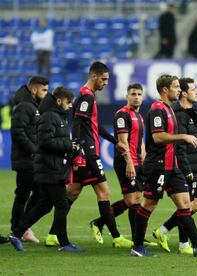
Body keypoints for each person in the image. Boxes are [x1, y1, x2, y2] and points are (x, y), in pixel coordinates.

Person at [131, 74, 197, 257]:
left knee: (185, 204)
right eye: (175, 86)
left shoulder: (170, 109)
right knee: (149, 204)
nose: (179, 89)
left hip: (173, 166)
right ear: (165, 89)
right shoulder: (158, 109)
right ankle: (138, 247)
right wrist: (183, 136)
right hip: (159, 165)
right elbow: (158, 137)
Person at [51, 61, 132, 249]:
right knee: (104, 192)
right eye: (103, 79)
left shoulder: (87, 96)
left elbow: (93, 125)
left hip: (85, 151)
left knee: (72, 192)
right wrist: (78, 150)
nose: (105, 83)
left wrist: (115, 142)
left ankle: (52, 234)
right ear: (93, 76)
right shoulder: (87, 97)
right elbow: (78, 123)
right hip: (88, 153)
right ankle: (117, 237)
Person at [8, 87, 83, 253]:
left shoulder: (58, 117)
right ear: (59, 101)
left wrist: (71, 150)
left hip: (53, 167)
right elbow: (44, 142)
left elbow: (55, 142)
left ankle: (16, 233)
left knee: (44, 206)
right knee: (62, 205)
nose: (71, 106)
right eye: (69, 102)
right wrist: (67, 145)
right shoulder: (50, 117)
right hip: (50, 169)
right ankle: (64, 243)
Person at [89, 83, 156, 247]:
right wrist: (129, 163)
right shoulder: (122, 115)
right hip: (126, 161)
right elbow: (123, 142)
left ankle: (100, 222)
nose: (136, 97)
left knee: (136, 199)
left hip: (138, 162)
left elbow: (140, 143)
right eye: (133, 94)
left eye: (140, 94)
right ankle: (136, 239)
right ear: (127, 96)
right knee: (132, 200)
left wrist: (144, 163)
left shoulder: (140, 116)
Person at [152, 77, 197, 254]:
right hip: (186, 166)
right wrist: (186, 169)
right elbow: (179, 146)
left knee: (195, 205)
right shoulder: (178, 114)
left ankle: (163, 231)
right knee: (187, 205)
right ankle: (184, 243)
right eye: (193, 89)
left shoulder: (194, 112)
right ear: (184, 93)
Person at [10, 76, 49, 244]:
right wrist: (35, 152)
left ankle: (18, 228)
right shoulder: (25, 106)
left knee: (23, 194)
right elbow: (18, 131)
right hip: (27, 160)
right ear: (34, 90)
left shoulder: (31, 104)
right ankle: (23, 228)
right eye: (44, 90)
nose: (46, 94)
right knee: (41, 193)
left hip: (26, 159)